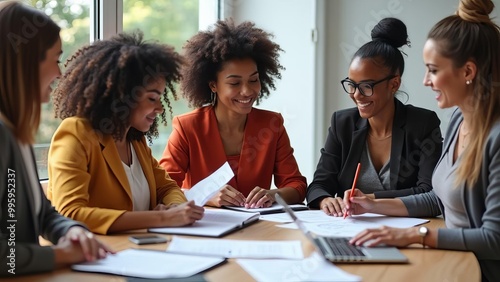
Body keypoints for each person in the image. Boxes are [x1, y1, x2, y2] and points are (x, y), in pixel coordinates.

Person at [344, 1, 500, 281]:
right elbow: (438, 200)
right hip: (449, 261)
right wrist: (372, 204)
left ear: (468, 72)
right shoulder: (458, 120)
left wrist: (414, 235)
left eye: (434, 70)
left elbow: (494, 238)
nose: (426, 81)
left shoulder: (496, 139)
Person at [47, 32, 204, 235]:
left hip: (142, 250)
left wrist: (175, 208)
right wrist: (163, 218)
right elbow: (70, 213)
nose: (160, 108)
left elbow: (166, 188)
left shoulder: (135, 141)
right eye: (152, 98)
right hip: (100, 255)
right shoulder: (77, 133)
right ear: (122, 96)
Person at [0, 1, 112, 276]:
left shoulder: (17, 133)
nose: (60, 73)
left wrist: (72, 230)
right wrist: (59, 254)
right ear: (27, 63)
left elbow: (43, 214)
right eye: (56, 59)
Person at [159, 19, 307, 208]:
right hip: (205, 229)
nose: (247, 91)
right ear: (213, 85)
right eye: (235, 83)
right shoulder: (188, 127)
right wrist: (207, 197)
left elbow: (297, 186)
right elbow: (163, 189)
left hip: (259, 228)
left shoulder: (272, 124)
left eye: (253, 80)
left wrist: (273, 194)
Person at [306, 17, 443, 216]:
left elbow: (428, 192)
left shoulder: (423, 124)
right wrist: (325, 200)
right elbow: (318, 185)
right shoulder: (342, 123)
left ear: (394, 84)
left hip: (404, 232)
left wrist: (371, 199)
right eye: (351, 84)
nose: (356, 94)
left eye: (366, 86)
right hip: (349, 231)